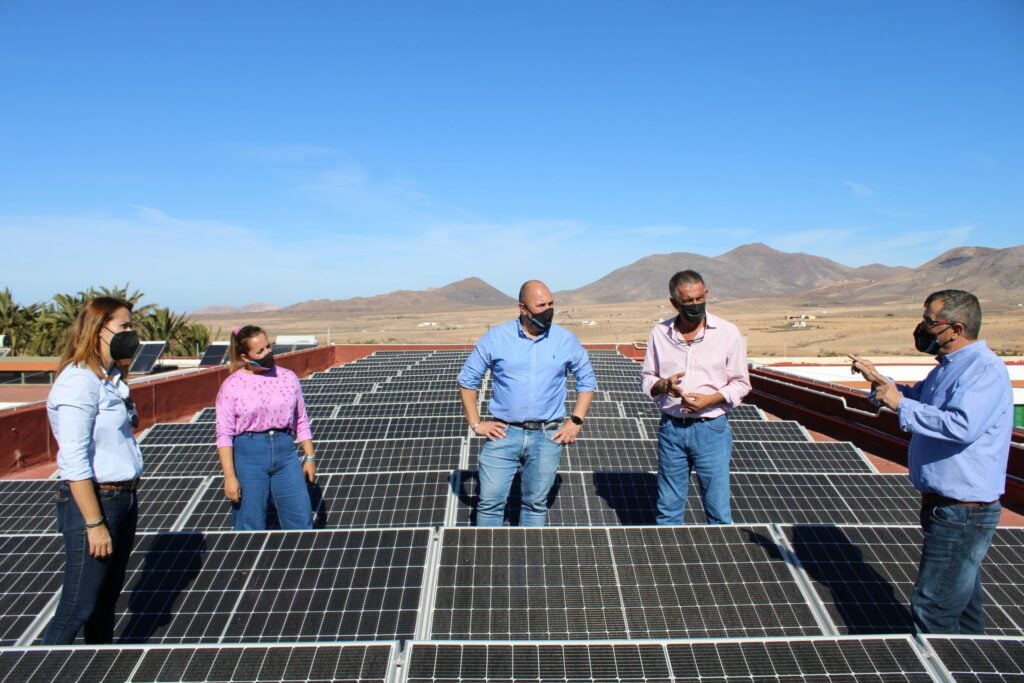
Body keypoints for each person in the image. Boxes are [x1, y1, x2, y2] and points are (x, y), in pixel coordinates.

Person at [850, 289, 1012, 634]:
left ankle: (941, 659)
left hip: (963, 511)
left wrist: (900, 404)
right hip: (946, 508)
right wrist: (881, 383)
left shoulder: (983, 369)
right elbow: (918, 399)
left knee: (933, 607)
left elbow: (962, 426)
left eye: (928, 321)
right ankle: (971, 658)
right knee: (963, 607)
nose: (922, 328)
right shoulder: (948, 368)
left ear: (955, 329)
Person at [43, 297, 144, 644]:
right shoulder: (78, 382)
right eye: (124, 326)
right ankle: (39, 666)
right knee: (78, 606)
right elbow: (74, 458)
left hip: (122, 498)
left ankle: (98, 664)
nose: (131, 333)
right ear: (99, 330)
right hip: (95, 502)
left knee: (104, 603)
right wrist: (94, 523)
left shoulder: (110, 379)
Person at [458, 280, 596, 526]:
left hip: (547, 435)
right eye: (541, 305)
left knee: (535, 504)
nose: (548, 310)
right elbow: (467, 380)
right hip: (503, 434)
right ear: (523, 308)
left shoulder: (565, 340)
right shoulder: (496, 338)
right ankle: (488, 551)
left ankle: (529, 552)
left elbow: (587, 379)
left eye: (551, 304)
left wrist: (576, 421)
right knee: (489, 503)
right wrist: (476, 423)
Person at [641, 269, 751, 525]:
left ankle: (721, 551)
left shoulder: (727, 332)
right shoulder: (659, 333)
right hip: (672, 429)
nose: (695, 305)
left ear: (706, 294)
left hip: (711, 429)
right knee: (668, 509)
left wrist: (710, 400)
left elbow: (741, 383)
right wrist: (663, 385)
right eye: (688, 301)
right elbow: (647, 378)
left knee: (717, 510)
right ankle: (670, 550)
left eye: (700, 298)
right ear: (674, 303)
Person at [215, 325, 317, 530]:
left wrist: (309, 457)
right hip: (249, 457)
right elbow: (224, 434)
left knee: (300, 520)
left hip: (286, 454)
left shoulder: (288, 377)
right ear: (245, 357)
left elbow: (301, 420)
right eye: (260, 351)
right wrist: (230, 477)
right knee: (249, 524)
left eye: (268, 347)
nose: (268, 353)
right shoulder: (231, 385)